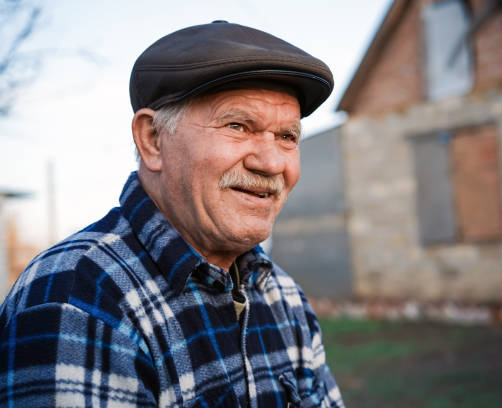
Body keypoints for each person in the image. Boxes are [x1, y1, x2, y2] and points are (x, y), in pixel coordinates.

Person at [0, 21, 343, 408]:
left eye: (287, 137)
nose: (270, 162)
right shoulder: (79, 298)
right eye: (237, 125)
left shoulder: (283, 296)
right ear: (152, 140)